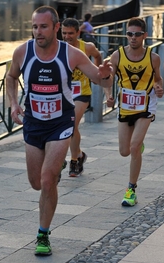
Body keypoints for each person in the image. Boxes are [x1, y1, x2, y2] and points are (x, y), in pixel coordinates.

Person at [6, 6, 113, 256]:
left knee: (46, 180)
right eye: (34, 27)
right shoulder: (22, 52)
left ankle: (43, 234)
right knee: (36, 183)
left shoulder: (72, 54)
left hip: (60, 123)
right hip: (33, 122)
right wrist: (13, 103)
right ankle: (55, 170)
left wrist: (107, 77)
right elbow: (11, 77)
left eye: (43, 27)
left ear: (56, 27)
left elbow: (99, 78)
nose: (38, 32)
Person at [106, 18, 164, 207]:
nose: (132, 38)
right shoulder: (117, 55)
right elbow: (109, 78)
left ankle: (131, 190)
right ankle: (137, 145)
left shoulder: (153, 58)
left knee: (133, 147)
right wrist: (108, 94)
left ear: (144, 36)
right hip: (125, 106)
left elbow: (158, 79)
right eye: (129, 34)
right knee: (124, 151)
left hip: (146, 106)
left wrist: (159, 88)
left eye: (137, 34)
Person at [61, 17, 102, 177]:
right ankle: (79, 154)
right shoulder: (58, 48)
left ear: (78, 32)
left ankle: (73, 161)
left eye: (71, 33)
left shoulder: (87, 47)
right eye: (64, 33)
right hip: (64, 93)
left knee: (71, 124)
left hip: (82, 92)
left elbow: (98, 56)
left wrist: (96, 73)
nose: (67, 37)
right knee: (71, 127)